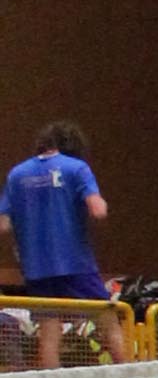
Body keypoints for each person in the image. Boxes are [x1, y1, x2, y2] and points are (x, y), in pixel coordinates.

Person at [3, 116, 107, 310]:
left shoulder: (16, 174)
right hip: (74, 263)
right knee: (106, 315)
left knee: (48, 322)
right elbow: (98, 210)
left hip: (35, 266)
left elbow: (3, 224)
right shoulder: (77, 168)